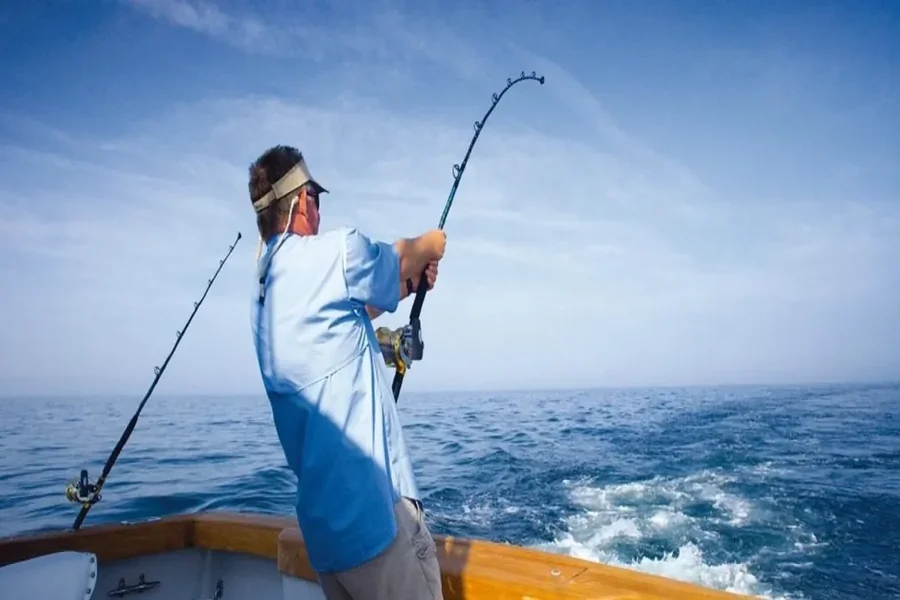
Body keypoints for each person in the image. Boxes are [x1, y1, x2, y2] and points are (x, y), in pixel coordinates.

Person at [247, 144, 447, 600]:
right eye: (315, 195)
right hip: (377, 524)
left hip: (327, 539)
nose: (318, 210)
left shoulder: (264, 297)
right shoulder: (335, 251)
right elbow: (400, 254)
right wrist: (431, 245)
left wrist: (411, 284)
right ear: (301, 201)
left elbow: (346, 316)